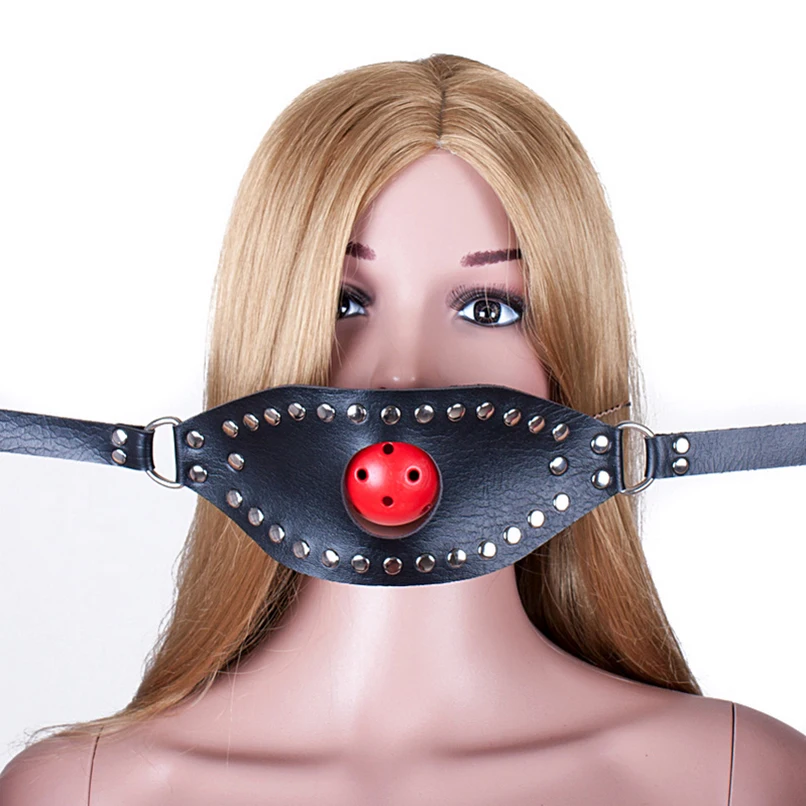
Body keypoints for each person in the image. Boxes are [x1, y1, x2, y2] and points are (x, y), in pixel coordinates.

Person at [1, 53, 804, 805]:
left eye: (487, 309)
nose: (402, 376)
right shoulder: (85, 790)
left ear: (569, 362)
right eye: (344, 302)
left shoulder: (735, 776)